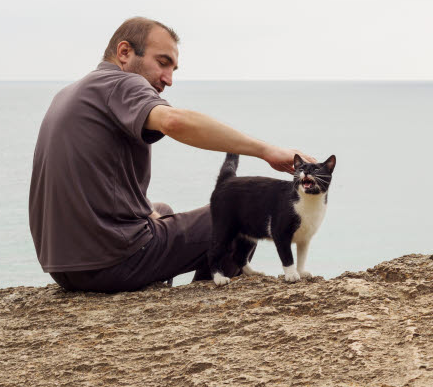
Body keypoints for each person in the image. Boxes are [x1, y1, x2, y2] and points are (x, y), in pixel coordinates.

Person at [29, 17, 315, 293]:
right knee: (237, 209)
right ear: (125, 52)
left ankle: (159, 288)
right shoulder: (122, 83)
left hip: (65, 267)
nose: (168, 79)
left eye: (174, 69)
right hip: (110, 261)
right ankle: (206, 310)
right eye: (162, 63)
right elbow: (174, 122)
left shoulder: (72, 92)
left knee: (160, 210)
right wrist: (267, 151)